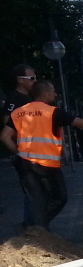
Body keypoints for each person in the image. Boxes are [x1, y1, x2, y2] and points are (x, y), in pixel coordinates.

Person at [1, 81, 83, 230]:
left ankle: (35, 229)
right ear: (45, 94)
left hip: (25, 164)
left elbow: (5, 136)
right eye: (53, 91)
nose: (55, 94)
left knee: (37, 201)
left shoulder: (19, 112)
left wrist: (18, 152)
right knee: (60, 198)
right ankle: (36, 230)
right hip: (46, 166)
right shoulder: (52, 112)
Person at [3, 64, 38, 218]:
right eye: (32, 78)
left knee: (38, 190)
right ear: (20, 80)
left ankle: (36, 225)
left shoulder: (29, 97)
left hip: (36, 150)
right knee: (32, 190)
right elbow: (8, 125)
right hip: (26, 151)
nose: (35, 81)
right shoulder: (14, 99)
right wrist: (20, 149)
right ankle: (31, 225)